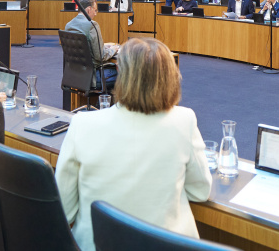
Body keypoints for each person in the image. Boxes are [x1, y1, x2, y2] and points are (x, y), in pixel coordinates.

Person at [55, 38, 211, 251]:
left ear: (120, 71)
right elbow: (200, 191)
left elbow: (65, 210)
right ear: (171, 74)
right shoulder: (185, 120)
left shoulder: (83, 124)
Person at [64, 0, 118, 87]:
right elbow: (100, 56)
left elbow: (85, 48)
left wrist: (103, 47)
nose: (96, 14)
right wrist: (114, 49)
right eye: (95, 10)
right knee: (126, 72)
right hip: (92, 76)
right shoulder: (92, 25)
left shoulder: (69, 25)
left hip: (74, 74)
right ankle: (108, 101)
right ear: (89, 9)